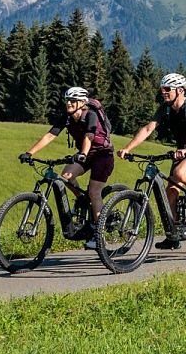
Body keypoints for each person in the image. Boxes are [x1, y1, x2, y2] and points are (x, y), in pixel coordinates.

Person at [116, 72, 186, 248]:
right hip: (183, 151)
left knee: (180, 172)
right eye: (162, 89)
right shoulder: (166, 108)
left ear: (179, 90)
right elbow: (148, 129)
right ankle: (174, 235)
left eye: (167, 89)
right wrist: (127, 148)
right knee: (170, 192)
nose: (163, 92)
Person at [21, 86, 116, 248]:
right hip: (85, 155)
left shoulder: (91, 115)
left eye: (73, 101)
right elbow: (50, 135)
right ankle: (82, 199)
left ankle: (99, 237)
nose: (69, 104)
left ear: (82, 103)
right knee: (65, 176)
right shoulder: (67, 117)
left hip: (102, 156)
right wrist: (30, 152)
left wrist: (84, 153)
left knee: (94, 192)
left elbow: (89, 135)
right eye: (67, 100)